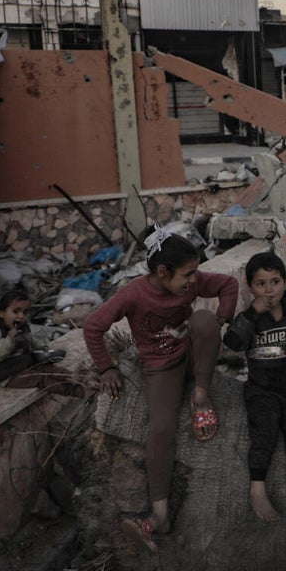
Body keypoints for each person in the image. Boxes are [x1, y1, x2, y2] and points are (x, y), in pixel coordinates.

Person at [83, 226, 238, 553]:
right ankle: (161, 513)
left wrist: (220, 321)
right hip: (160, 368)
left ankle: (200, 396)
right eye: (187, 274)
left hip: (193, 357)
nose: (193, 281)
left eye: (195, 273)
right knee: (161, 430)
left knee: (204, 322)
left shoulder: (190, 283)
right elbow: (93, 326)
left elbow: (228, 284)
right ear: (162, 271)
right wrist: (107, 367)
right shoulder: (133, 294)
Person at [223, 252, 286, 522]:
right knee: (263, 433)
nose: (269, 290)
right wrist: (252, 314)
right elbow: (233, 342)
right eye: (261, 284)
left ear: (285, 282)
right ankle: (257, 489)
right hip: (262, 389)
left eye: (275, 282)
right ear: (250, 287)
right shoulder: (250, 317)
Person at [0, 285, 79, 393]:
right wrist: (10, 338)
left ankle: (79, 378)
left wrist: (40, 347)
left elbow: (28, 340)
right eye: (16, 312)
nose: (21, 316)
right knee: (42, 379)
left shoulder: (21, 327)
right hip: (8, 375)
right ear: (2, 313)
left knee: (51, 369)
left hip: (24, 366)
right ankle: (77, 390)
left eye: (25, 312)